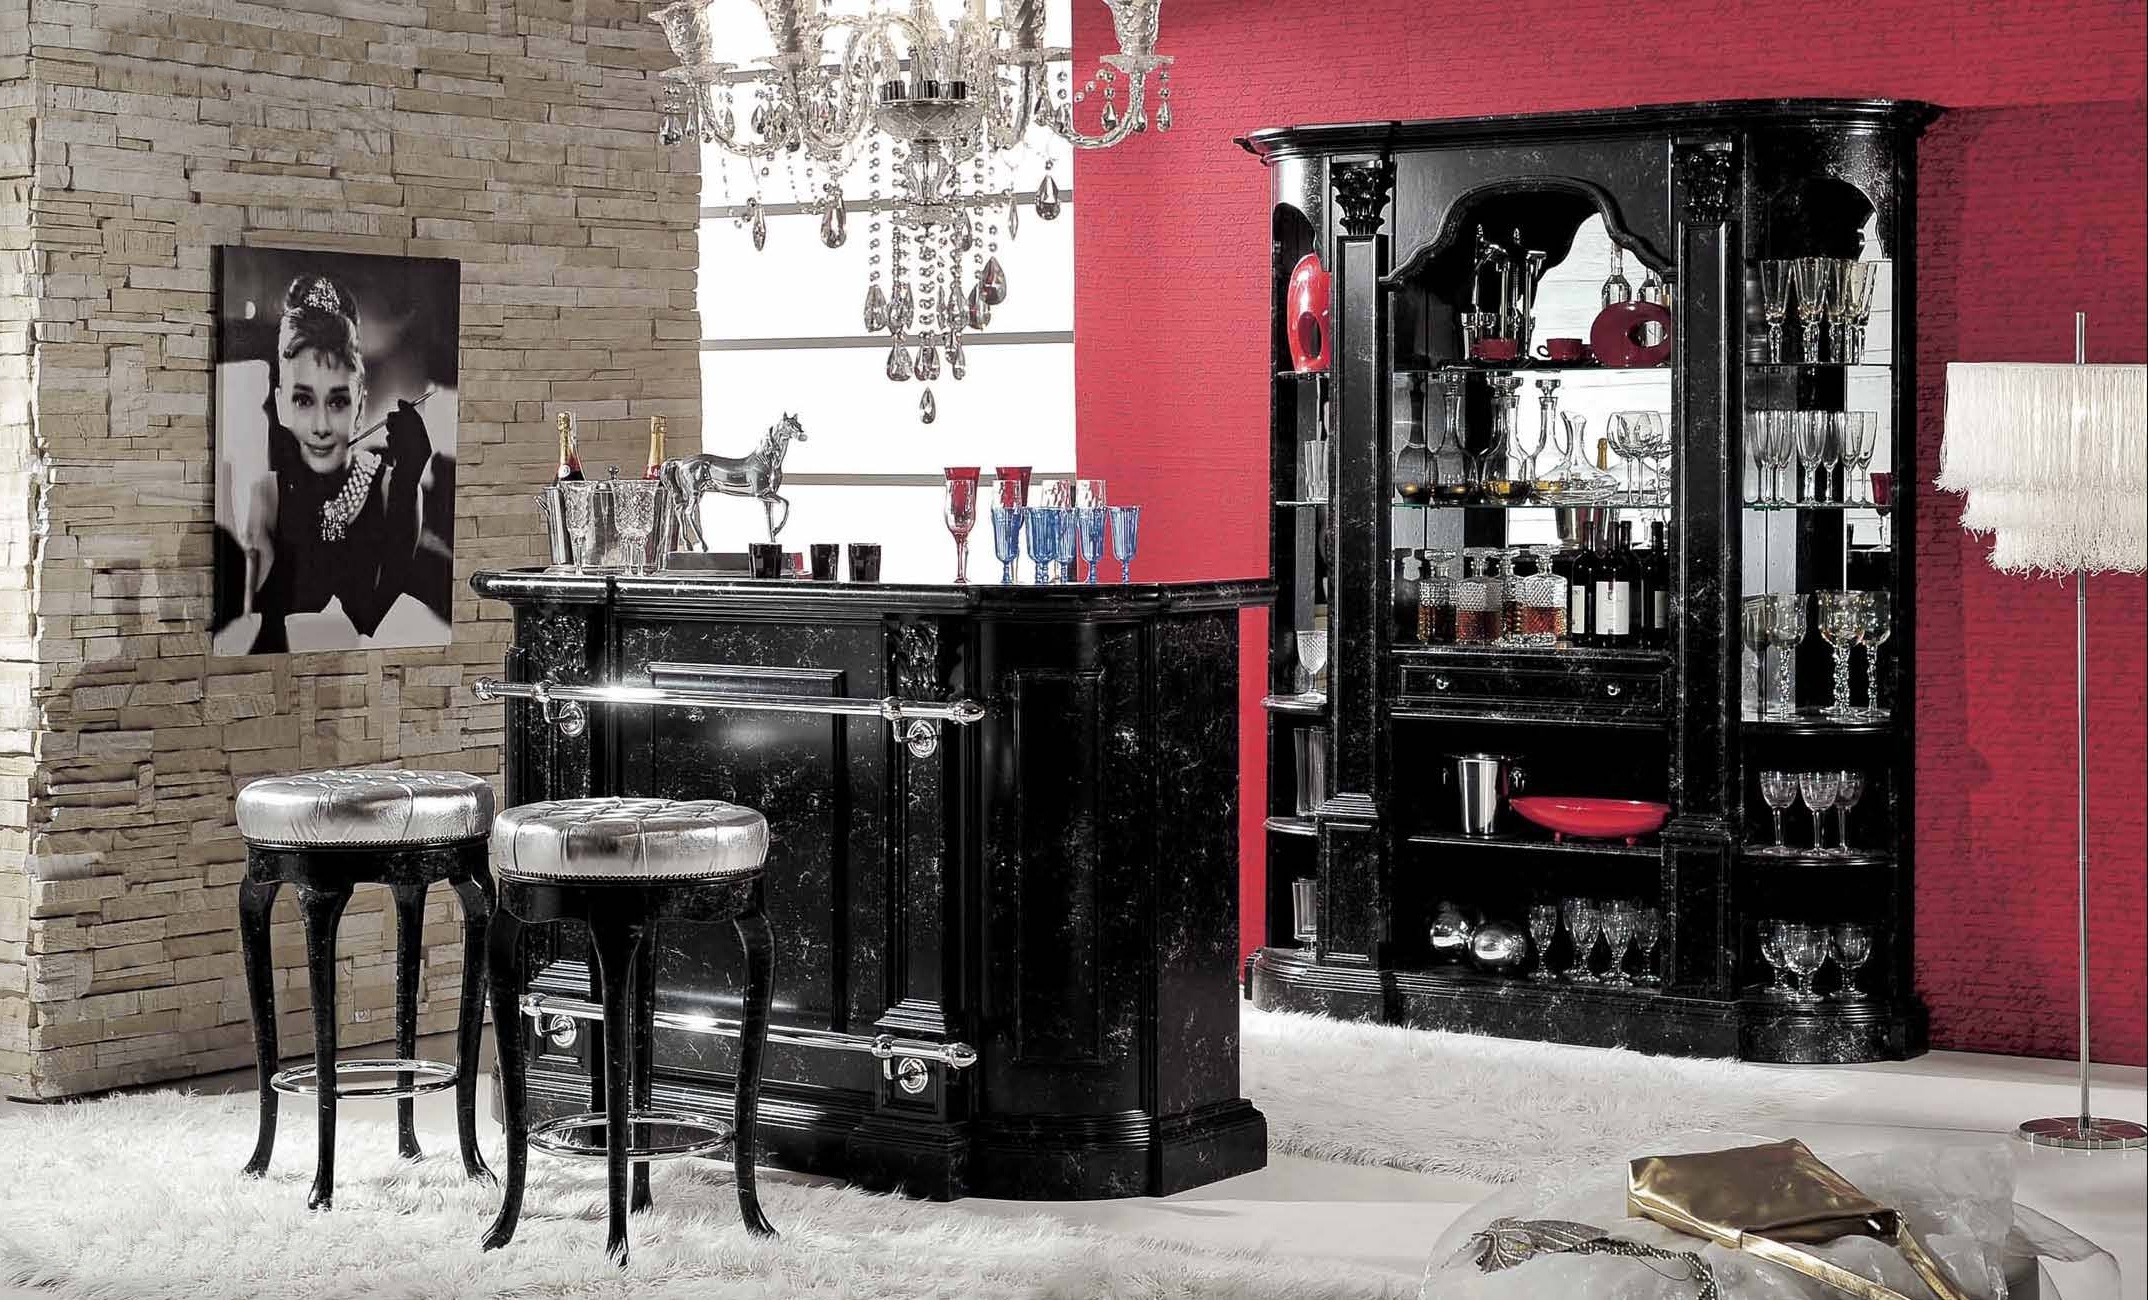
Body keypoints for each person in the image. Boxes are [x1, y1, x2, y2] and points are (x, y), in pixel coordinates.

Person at [238, 274, 450, 652]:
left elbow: (373, 621)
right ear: (282, 404)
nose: (321, 427)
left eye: (337, 402)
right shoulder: (267, 496)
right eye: (304, 400)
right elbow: (254, 633)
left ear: (360, 407)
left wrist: (406, 483)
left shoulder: (394, 490)